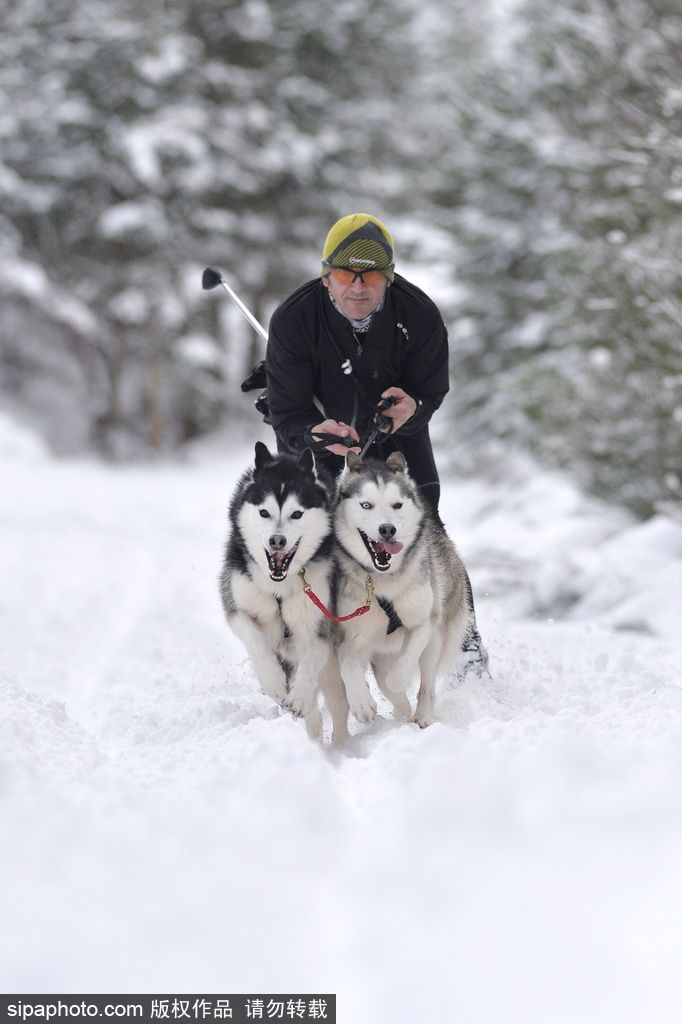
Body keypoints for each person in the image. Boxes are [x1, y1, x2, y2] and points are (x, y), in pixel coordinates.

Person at [265, 213, 450, 516]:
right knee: (305, 531)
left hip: (396, 440)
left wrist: (412, 408)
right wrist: (313, 434)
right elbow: (287, 413)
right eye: (344, 275)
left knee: (424, 527)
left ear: (388, 279)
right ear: (326, 278)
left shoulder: (419, 315)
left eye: (371, 276)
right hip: (316, 442)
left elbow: (430, 391)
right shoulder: (293, 321)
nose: (358, 288)